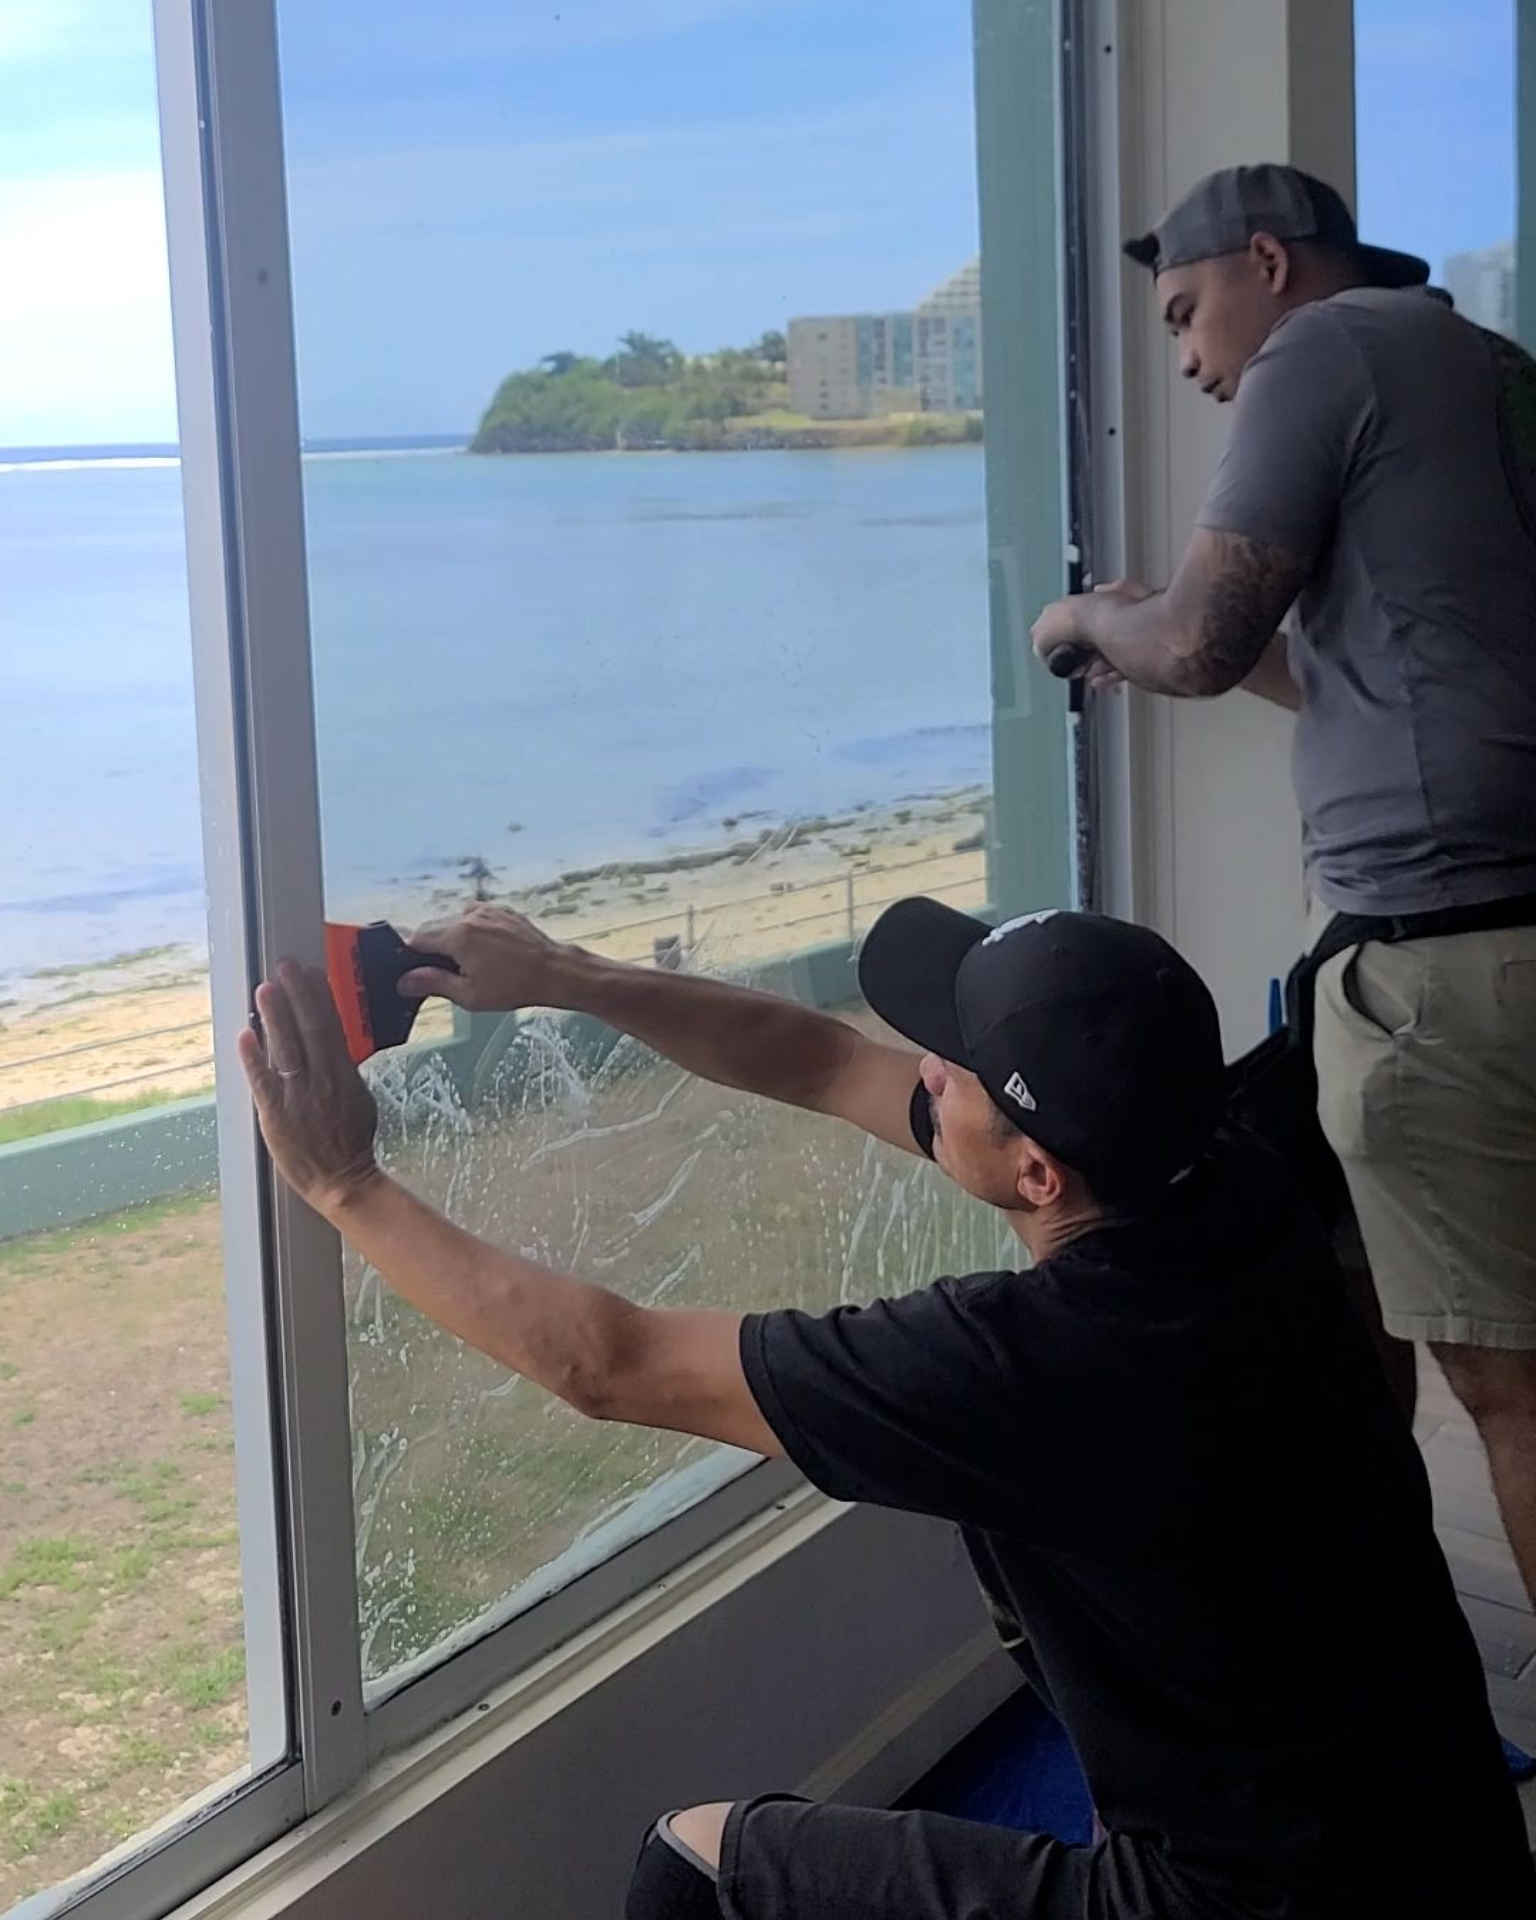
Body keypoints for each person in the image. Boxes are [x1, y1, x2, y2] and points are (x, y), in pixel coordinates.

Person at [241, 898, 1533, 1918]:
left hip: (1242, 1901)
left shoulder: (1040, 1365)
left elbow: (607, 1362)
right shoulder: (1227, 1178)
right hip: (1447, 1843)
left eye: (954, 1067)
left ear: (1034, 1167)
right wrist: (568, 976)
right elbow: (816, 1060)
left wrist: (344, 1178)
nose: (920, 1068)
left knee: (699, 1867)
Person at [1030, 161, 1536, 1610]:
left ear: (1269, 262)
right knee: (1346, 1292)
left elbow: (1194, 645)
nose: (1188, 361)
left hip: (1443, 964)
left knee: (1513, 1394)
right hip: (1488, 933)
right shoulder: (1484, 365)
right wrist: (1155, 620)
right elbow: (1332, 673)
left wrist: (1086, 620)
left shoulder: (1323, 349)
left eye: (1189, 315)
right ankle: (1373, 1676)